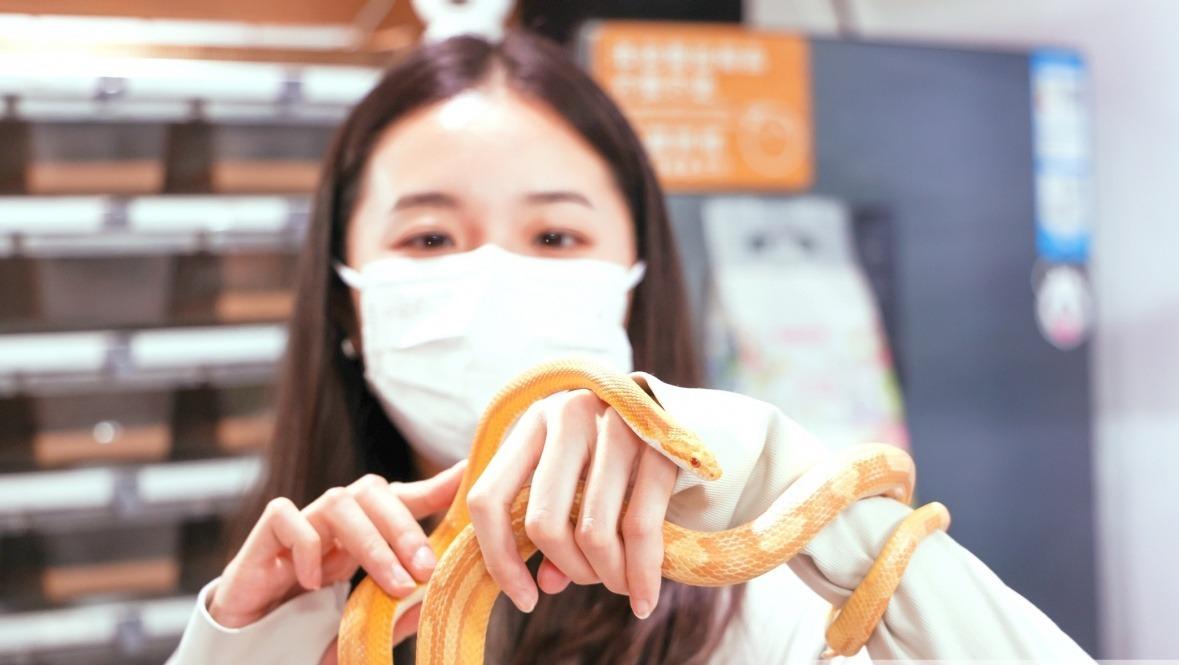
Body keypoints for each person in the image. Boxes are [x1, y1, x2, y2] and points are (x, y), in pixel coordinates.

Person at [168, 30, 1093, 665]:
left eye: (555, 236)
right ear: (344, 298)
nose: (492, 276)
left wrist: (816, 506)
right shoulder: (278, 622)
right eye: (429, 237)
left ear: (634, 282)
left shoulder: (776, 622)